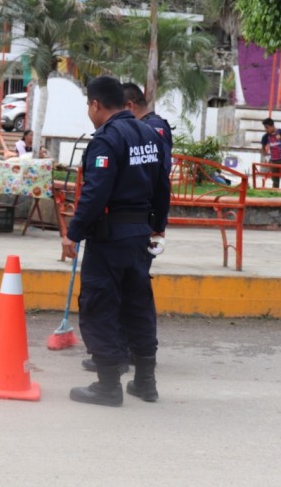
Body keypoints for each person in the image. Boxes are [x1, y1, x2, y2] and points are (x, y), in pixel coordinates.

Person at [62, 76, 170, 407]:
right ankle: (145, 382)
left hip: (110, 237)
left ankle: (108, 386)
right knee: (138, 306)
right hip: (139, 235)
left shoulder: (107, 140)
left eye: (88, 106)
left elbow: (96, 193)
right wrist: (157, 226)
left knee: (99, 306)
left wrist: (74, 232)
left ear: (96, 104)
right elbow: (162, 185)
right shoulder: (149, 133)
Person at [123, 82, 173, 173]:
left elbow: (163, 165)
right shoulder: (140, 126)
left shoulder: (154, 126)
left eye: (120, 108)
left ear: (130, 106)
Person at [260, 118, 281, 189]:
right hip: (273, 161)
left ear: (272, 125)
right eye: (265, 128)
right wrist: (266, 157)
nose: (266, 129)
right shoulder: (266, 136)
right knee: (275, 181)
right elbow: (263, 148)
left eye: (267, 127)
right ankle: (275, 196)